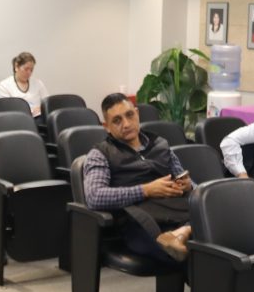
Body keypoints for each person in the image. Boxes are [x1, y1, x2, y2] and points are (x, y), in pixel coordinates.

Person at [81, 92, 193, 263]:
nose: (126, 124)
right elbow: (95, 196)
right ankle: (184, 233)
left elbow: (184, 178)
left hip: (175, 212)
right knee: (200, 254)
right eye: (117, 120)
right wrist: (146, 190)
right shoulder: (100, 154)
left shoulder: (160, 144)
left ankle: (183, 232)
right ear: (107, 127)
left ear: (137, 114)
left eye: (129, 115)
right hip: (138, 223)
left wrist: (187, 185)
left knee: (213, 234)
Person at [0, 51, 49, 117]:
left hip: (39, 118)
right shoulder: (4, 85)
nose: (29, 73)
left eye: (31, 70)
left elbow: (47, 103)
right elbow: (5, 109)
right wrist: (30, 111)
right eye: (26, 69)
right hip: (18, 119)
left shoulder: (38, 83)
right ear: (16, 66)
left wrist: (41, 108)